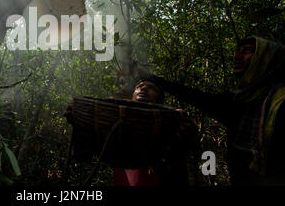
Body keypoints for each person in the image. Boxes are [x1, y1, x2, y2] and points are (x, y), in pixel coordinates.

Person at [151, 36, 285, 185]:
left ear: (268, 58)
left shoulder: (279, 102)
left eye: (247, 51)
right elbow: (197, 97)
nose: (236, 56)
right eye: (237, 51)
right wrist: (151, 78)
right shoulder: (240, 100)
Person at [112, 78, 193, 186]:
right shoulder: (118, 125)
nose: (143, 88)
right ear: (132, 97)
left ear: (160, 100)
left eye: (151, 88)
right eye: (139, 87)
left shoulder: (173, 125)